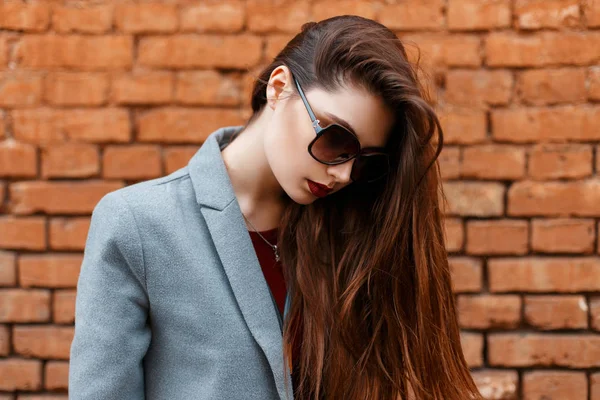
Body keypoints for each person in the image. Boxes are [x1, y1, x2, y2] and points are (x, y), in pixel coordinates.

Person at [69, 15, 483, 400]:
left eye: (366, 162)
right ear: (279, 88)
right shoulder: (139, 224)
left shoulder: (350, 230)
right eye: (338, 140)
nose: (343, 173)